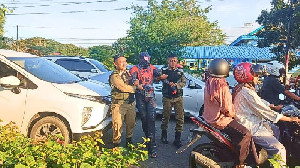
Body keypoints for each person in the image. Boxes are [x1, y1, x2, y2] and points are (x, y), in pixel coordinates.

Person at [232, 62, 300, 166]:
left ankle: (269, 159)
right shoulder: (246, 92)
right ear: (247, 75)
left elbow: (258, 101)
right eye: (255, 74)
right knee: (280, 149)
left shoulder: (242, 88)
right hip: (252, 125)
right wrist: (290, 119)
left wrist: (272, 105)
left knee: (276, 130)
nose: (257, 77)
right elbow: (266, 112)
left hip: (252, 120)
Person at [202, 58, 251, 168]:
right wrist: (235, 115)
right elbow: (227, 109)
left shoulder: (209, 81)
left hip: (209, 117)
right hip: (220, 120)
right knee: (246, 133)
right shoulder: (222, 85)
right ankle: (240, 163)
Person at [130, 52, 167, 158]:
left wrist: (162, 76)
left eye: (148, 60)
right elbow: (133, 79)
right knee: (144, 119)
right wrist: (136, 83)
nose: (146, 62)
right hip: (140, 96)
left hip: (150, 96)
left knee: (151, 119)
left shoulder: (151, 67)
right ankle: (148, 138)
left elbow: (159, 75)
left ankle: (151, 146)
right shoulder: (134, 68)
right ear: (140, 59)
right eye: (144, 60)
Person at [109, 54, 143, 148]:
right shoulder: (114, 76)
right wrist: (136, 87)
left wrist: (136, 82)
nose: (124, 64)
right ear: (115, 64)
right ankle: (116, 145)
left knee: (131, 123)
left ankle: (129, 141)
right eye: (121, 62)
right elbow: (123, 88)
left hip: (130, 103)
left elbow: (135, 80)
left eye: (125, 61)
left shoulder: (128, 73)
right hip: (119, 104)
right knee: (117, 126)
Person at [160, 53, 186, 149]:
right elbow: (159, 79)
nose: (172, 62)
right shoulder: (164, 70)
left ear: (177, 61)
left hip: (178, 97)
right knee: (166, 117)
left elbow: (184, 82)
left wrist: (176, 85)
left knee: (180, 118)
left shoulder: (180, 71)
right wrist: (166, 82)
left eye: (174, 60)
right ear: (168, 61)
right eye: (171, 60)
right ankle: (164, 136)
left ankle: (177, 139)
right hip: (167, 97)